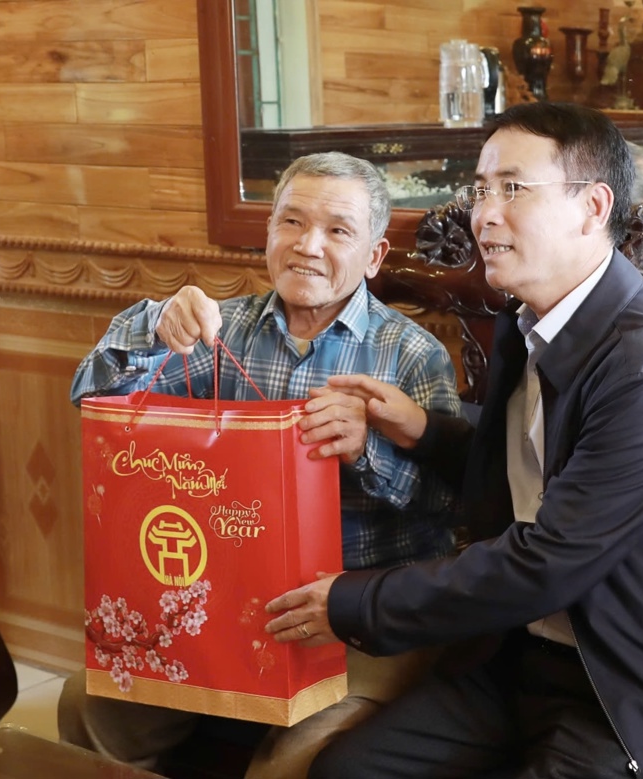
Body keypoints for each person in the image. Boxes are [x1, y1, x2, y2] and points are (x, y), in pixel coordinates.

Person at [264, 103, 643, 779]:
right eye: (480, 189)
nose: (483, 214)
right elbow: (534, 474)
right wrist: (425, 434)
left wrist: (352, 600)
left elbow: (548, 560)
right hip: (512, 658)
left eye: (513, 189)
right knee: (345, 770)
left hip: (626, 690)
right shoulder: (529, 320)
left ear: (591, 206)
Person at [58, 151, 464, 779]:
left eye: (338, 230)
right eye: (292, 223)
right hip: (220, 600)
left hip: (356, 609)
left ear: (375, 256)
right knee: (89, 704)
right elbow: (92, 401)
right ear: (269, 232)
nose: (308, 246)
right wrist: (152, 325)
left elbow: (450, 508)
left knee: (297, 760)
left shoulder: (414, 355)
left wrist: (366, 450)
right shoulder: (223, 332)